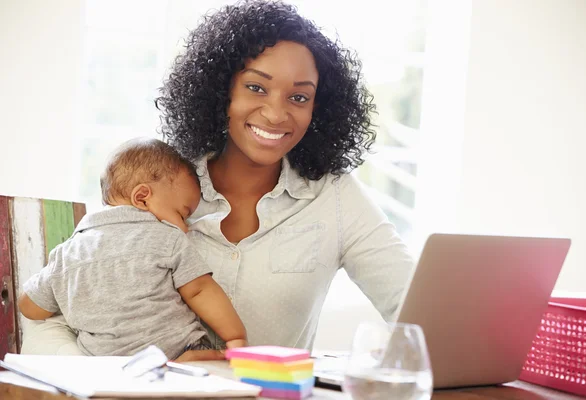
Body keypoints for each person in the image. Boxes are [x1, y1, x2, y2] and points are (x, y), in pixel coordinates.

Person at [22, 0, 414, 360]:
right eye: (256, 87)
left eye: (299, 97)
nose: (277, 115)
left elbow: (413, 304)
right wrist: (120, 381)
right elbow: (57, 314)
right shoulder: (158, 185)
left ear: (319, 108)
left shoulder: (337, 197)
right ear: (220, 90)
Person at [18, 138, 247, 360]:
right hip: (179, 352)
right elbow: (199, 290)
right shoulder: (167, 238)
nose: (185, 228)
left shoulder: (68, 253)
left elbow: (30, 307)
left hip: (108, 367)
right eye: (182, 214)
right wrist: (236, 337)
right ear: (142, 197)